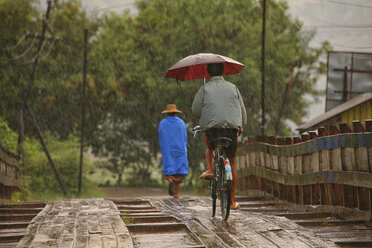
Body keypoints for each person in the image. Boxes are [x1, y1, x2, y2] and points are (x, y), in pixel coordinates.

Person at [191, 63, 247, 209]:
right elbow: (242, 110)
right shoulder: (233, 87)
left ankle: (210, 169)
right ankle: (233, 201)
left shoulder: (204, 88)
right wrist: (241, 124)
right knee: (232, 161)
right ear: (224, 72)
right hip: (231, 128)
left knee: (210, 148)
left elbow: (195, 111)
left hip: (213, 128)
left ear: (209, 74)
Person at [158, 104, 189, 199]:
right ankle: (176, 193)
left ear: (167, 113)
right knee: (179, 171)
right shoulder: (181, 123)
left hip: (168, 149)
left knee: (169, 170)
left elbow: (161, 136)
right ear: (176, 112)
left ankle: (171, 180)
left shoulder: (163, 123)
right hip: (180, 149)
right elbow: (185, 137)